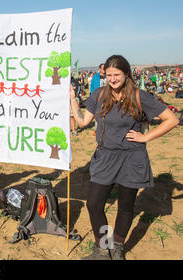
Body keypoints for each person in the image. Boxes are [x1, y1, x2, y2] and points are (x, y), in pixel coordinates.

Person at [70, 55, 179, 260]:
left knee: (126, 206)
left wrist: (145, 137)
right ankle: (103, 249)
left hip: (132, 158)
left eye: (116, 75)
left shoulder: (139, 96)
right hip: (105, 157)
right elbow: (83, 121)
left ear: (126, 74)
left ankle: (117, 248)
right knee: (94, 204)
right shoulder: (100, 94)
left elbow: (171, 119)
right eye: (109, 75)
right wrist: (72, 100)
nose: (112, 79)